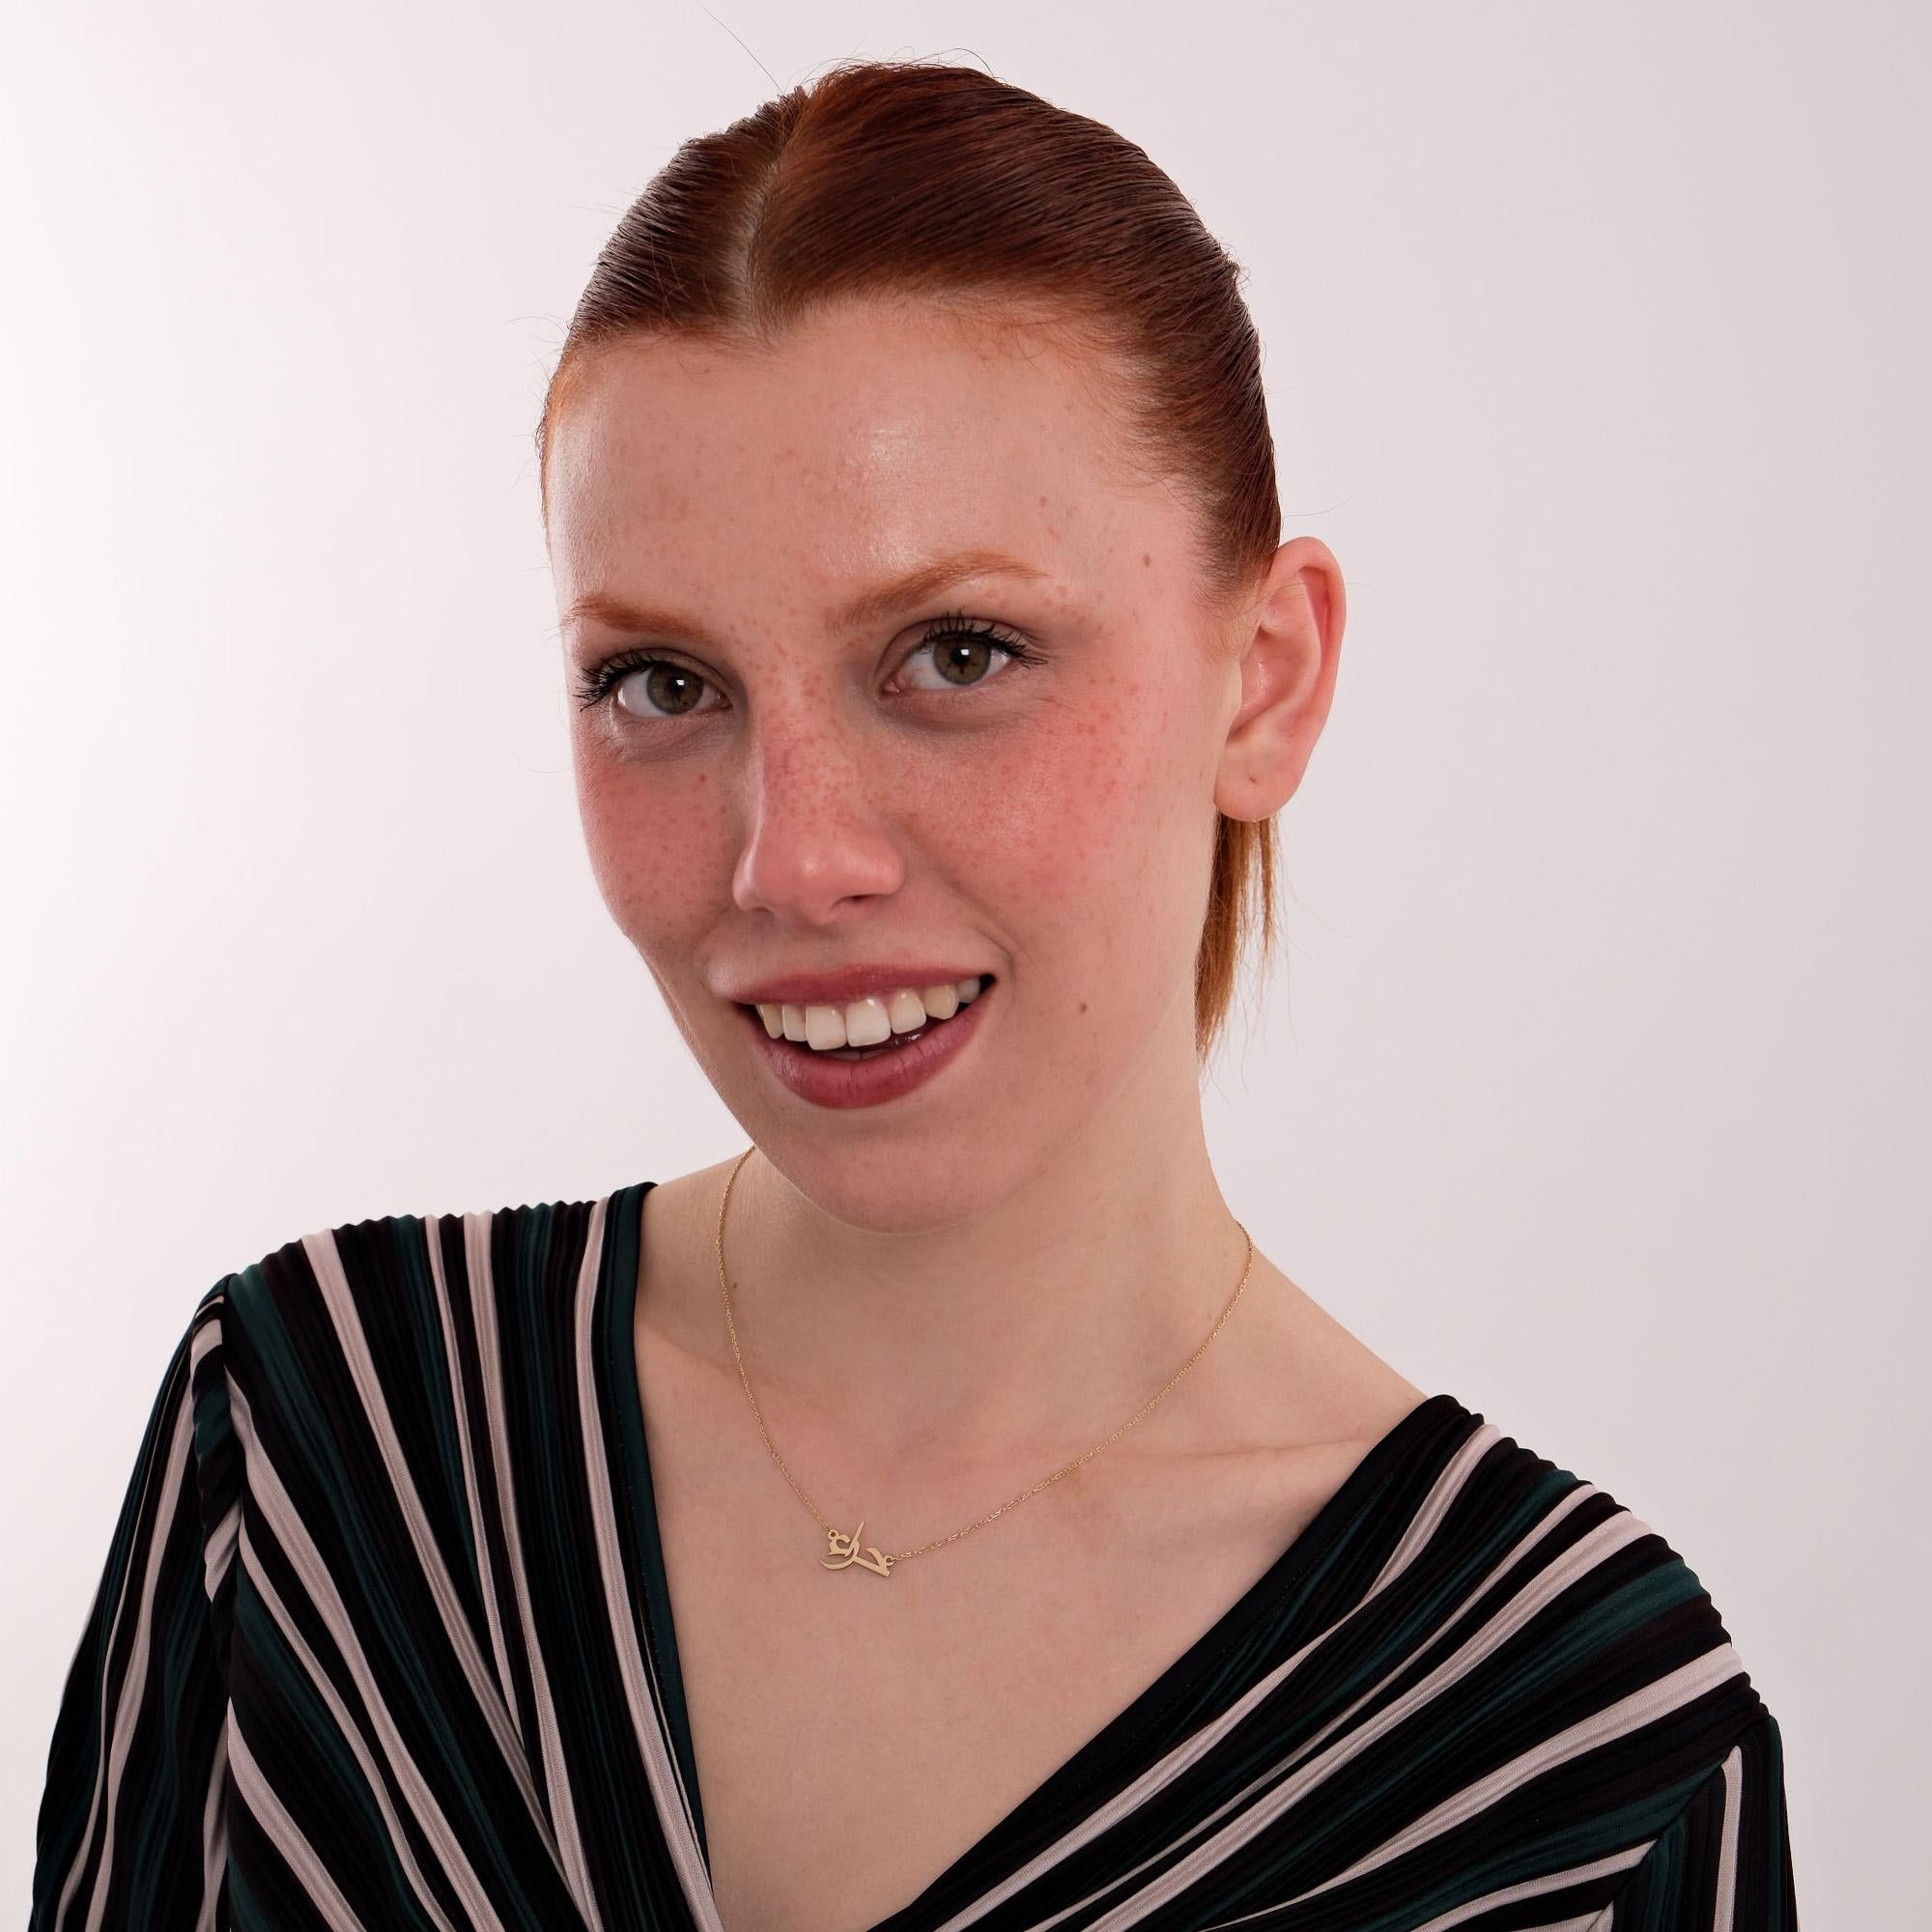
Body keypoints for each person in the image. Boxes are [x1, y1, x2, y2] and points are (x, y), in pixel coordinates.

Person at [31, 57, 1796, 1932]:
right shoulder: (321, 1449)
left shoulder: (1576, 1762)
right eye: (660, 684)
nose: (788, 863)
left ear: (1264, 678)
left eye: (957, 652)